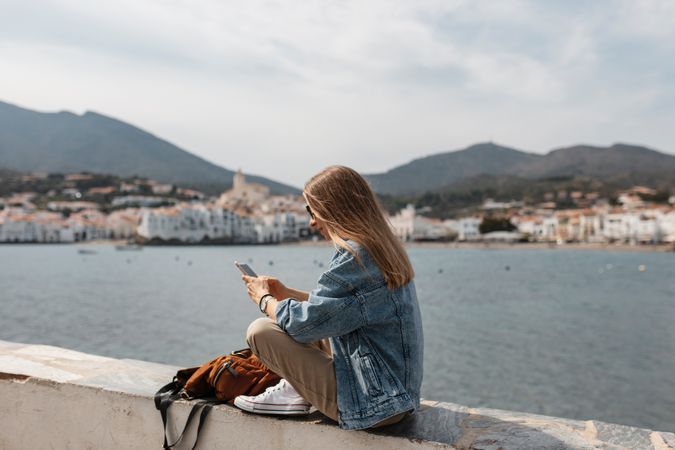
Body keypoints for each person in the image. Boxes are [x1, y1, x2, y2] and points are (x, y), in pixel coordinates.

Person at [235, 165, 424, 430]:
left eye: (311, 211)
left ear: (333, 208)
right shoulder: (379, 248)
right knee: (286, 319)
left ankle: (296, 393)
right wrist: (286, 293)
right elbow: (343, 309)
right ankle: (297, 390)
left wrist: (264, 299)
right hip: (396, 395)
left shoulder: (356, 257)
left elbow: (303, 326)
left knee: (261, 330)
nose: (312, 221)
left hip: (373, 403)